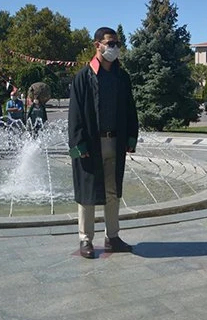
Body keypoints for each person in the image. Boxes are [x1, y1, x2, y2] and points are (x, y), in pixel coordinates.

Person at [68, 26, 139, 259]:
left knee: (112, 191)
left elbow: (130, 109)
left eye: (117, 44)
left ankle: (113, 237)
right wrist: (79, 145)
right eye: (110, 43)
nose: (114, 48)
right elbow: (75, 114)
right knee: (87, 193)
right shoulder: (83, 77)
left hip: (115, 142)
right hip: (91, 144)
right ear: (97, 45)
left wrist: (131, 137)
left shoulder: (122, 77)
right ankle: (85, 239)